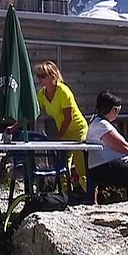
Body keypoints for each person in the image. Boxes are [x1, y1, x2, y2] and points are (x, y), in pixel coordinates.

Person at [34, 61, 89, 193]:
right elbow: (33, 112)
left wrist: (57, 137)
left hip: (77, 130)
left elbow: (68, 119)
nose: (39, 79)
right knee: (63, 166)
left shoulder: (64, 91)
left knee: (81, 168)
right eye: (38, 76)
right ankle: (65, 196)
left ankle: (90, 197)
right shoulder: (41, 94)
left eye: (43, 76)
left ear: (53, 76)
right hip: (63, 132)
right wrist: (16, 125)